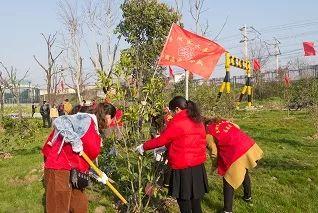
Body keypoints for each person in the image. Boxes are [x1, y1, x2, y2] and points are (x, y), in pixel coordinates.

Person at [135, 96, 208, 213]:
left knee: (184, 201)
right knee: (196, 200)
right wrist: (167, 147)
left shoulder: (178, 121)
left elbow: (162, 139)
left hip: (182, 167)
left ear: (177, 109)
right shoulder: (197, 119)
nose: (172, 114)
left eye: (172, 111)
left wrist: (143, 146)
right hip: (198, 166)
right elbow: (184, 139)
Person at [42, 102, 116, 213]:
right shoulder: (86, 119)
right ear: (107, 115)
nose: (112, 122)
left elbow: (84, 157)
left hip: (77, 172)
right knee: (59, 207)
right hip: (60, 167)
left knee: (79, 207)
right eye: (112, 119)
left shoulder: (96, 130)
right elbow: (60, 121)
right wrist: (75, 140)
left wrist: (97, 174)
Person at [205, 118, 263, 213]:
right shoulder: (222, 121)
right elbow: (237, 126)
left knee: (228, 179)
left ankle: (227, 210)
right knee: (244, 169)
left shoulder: (208, 134)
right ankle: (247, 197)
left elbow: (214, 153)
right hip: (248, 145)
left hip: (236, 152)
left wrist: (214, 166)